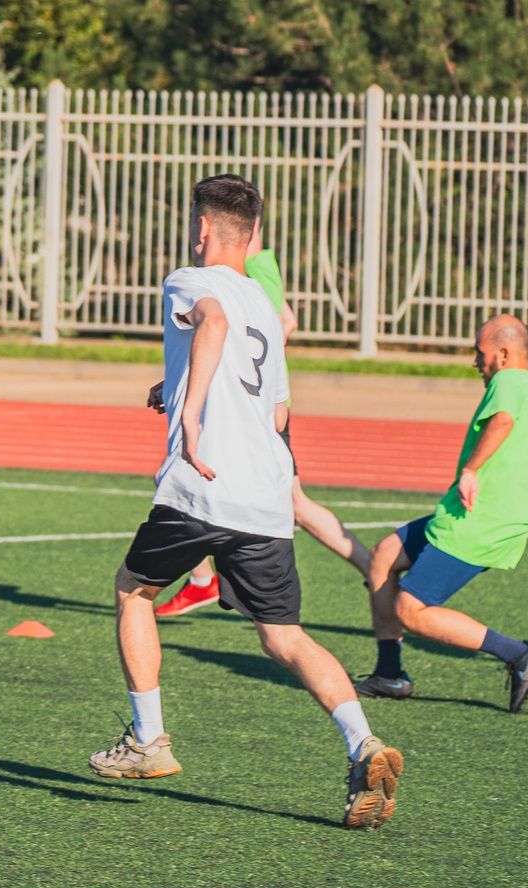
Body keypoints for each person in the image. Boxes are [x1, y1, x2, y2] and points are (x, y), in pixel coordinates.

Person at [89, 175, 405, 830]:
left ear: (203, 229)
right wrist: (173, 382)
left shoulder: (188, 281)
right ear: (253, 234)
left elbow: (212, 321)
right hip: (263, 495)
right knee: (283, 635)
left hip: (201, 482)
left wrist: (194, 413)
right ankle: (363, 742)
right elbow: (277, 404)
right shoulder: (267, 303)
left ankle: (149, 740)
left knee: (132, 590)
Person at [152, 210, 371, 618]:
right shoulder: (246, 271)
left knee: (296, 507)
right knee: (182, 479)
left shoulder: (254, 269)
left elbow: (280, 322)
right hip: (258, 401)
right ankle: (203, 581)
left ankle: (372, 567)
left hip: (259, 407)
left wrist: (251, 379)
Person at [353, 314, 528, 711]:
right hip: (463, 512)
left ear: (504, 353)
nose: (475, 362)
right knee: (383, 556)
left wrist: (470, 470)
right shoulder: (523, 384)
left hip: (482, 517)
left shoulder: (510, 380)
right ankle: (390, 674)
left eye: (480, 353)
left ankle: (517, 653)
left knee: (410, 610)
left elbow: (502, 421)